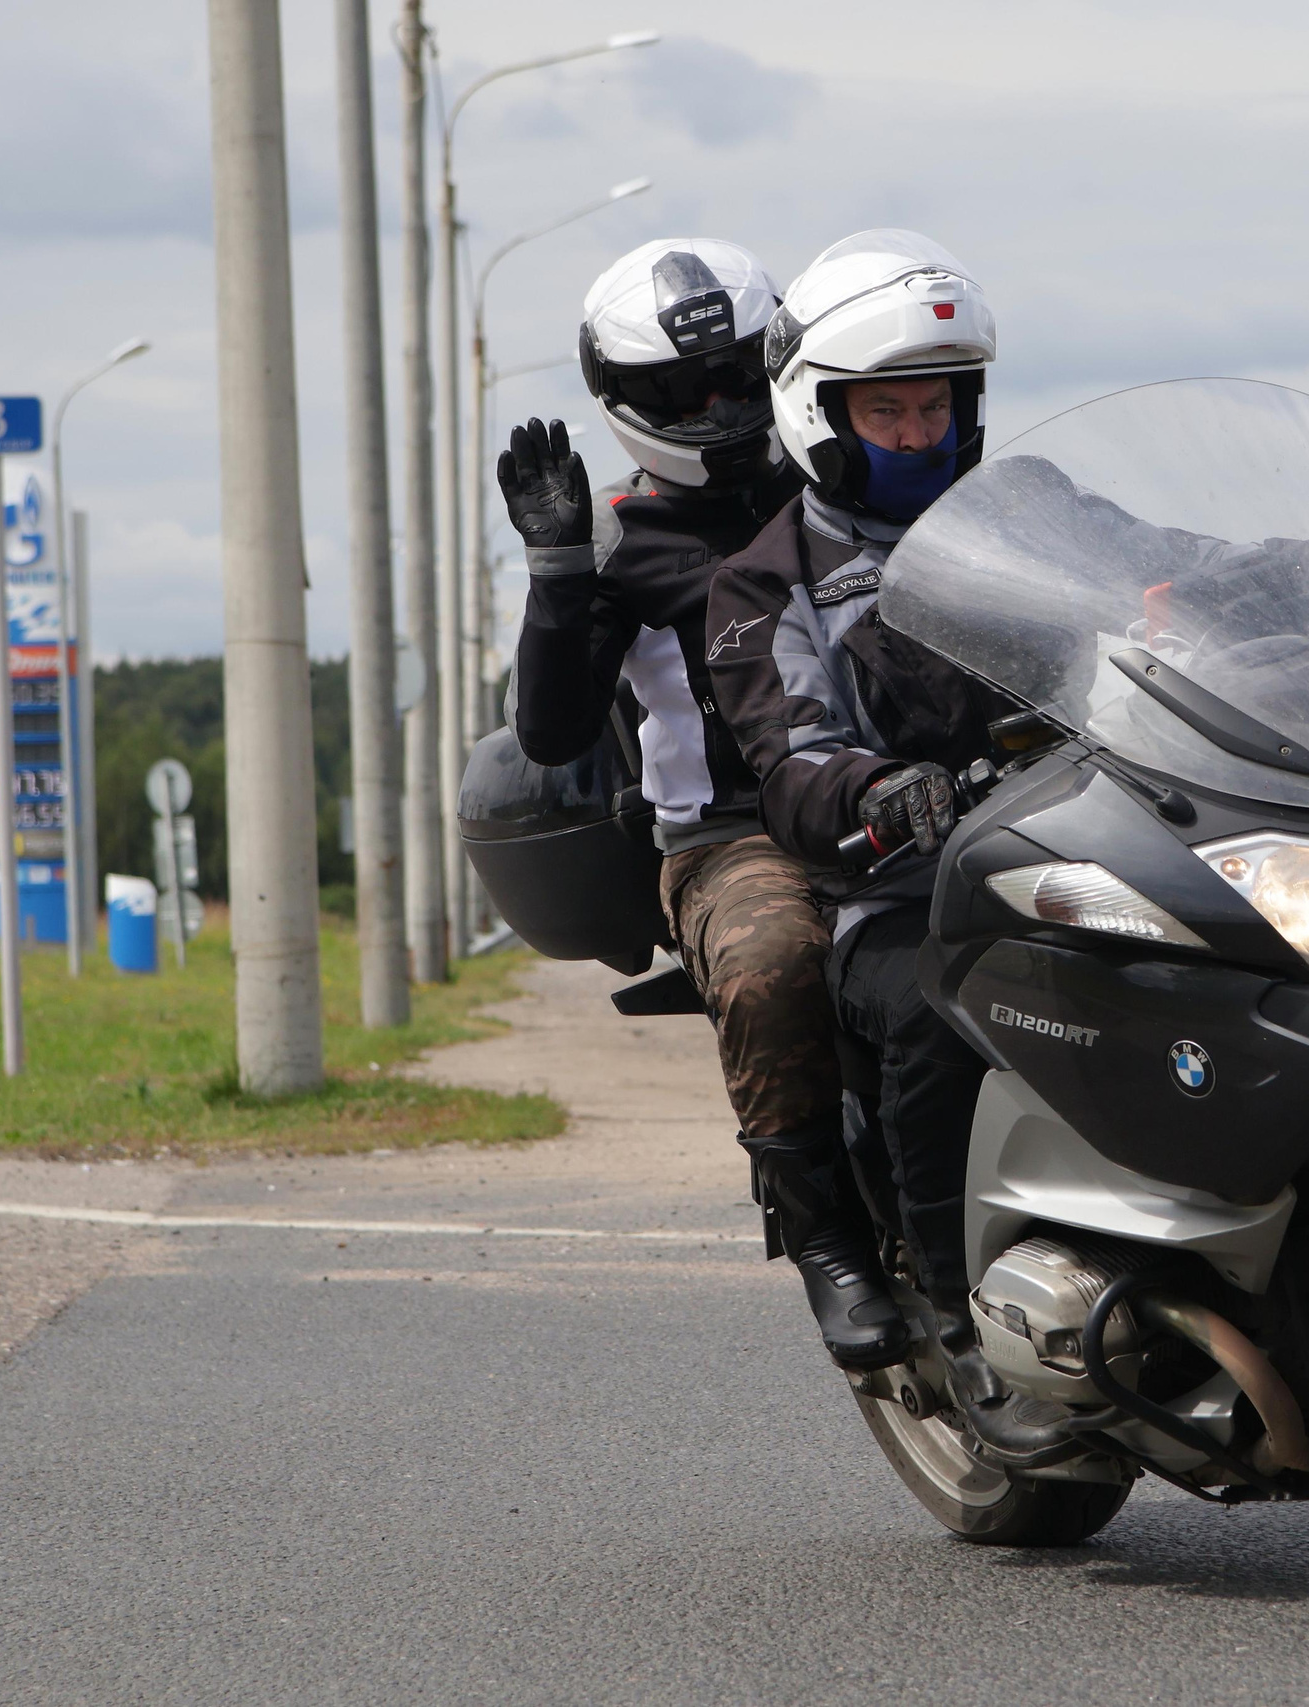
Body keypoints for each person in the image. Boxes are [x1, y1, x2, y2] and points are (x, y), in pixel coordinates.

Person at [501, 238, 905, 1372]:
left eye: (738, 375)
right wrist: (557, 574)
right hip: (736, 842)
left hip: (891, 790)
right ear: (631, 403)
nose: (722, 408)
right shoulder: (625, 546)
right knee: (775, 963)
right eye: (686, 392)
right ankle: (827, 1240)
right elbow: (551, 732)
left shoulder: (852, 484)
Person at [707, 230, 1070, 1460]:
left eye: (937, 405)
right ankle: (958, 1305)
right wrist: (880, 790)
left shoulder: (1031, 508)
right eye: (891, 410)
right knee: (930, 1006)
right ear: (821, 412)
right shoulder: (769, 582)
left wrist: (1284, 585)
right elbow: (790, 758)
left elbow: (1167, 579)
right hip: (914, 888)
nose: (920, 432)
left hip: (1088, 845)